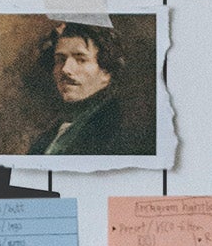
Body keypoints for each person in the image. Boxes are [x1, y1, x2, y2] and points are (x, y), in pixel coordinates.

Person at [26, 19, 151, 159]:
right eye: (60, 60)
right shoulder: (50, 135)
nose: (65, 69)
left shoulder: (119, 131)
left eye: (81, 60)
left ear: (106, 71)